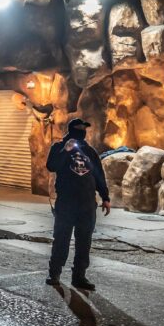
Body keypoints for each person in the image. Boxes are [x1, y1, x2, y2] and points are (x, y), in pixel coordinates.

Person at [46, 119, 111, 290]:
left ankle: (79, 276)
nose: (82, 131)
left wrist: (105, 197)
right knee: (61, 239)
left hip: (87, 203)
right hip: (66, 202)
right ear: (71, 130)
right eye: (79, 129)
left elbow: (98, 175)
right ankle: (54, 273)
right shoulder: (58, 147)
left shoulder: (89, 151)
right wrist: (66, 151)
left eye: (84, 128)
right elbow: (52, 166)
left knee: (84, 242)